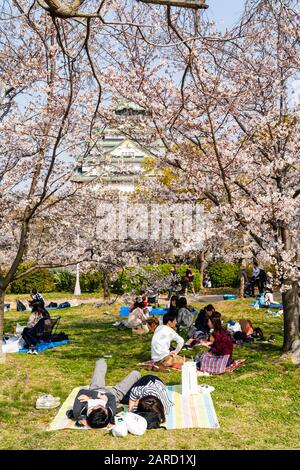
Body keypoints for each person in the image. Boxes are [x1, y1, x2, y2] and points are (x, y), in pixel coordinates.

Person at [69, 358, 141, 428]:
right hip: (115, 393)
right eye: (105, 408)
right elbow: (111, 397)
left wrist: (96, 395)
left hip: (96, 389)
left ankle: (103, 358)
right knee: (136, 374)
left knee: (100, 362)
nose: (105, 406)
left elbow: (82, 391)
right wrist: (102, 398)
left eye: (100, 406)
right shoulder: (109, 412)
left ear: (90, 411)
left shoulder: (78, 410)